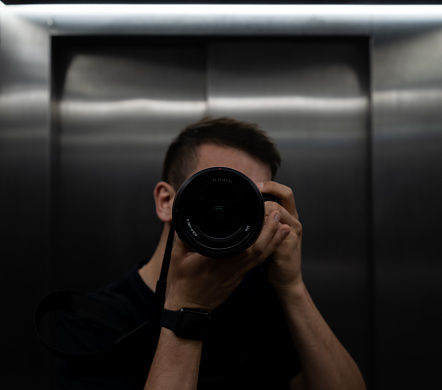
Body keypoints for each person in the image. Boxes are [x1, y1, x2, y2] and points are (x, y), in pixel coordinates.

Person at [56, 117, 366, 390]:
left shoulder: (263, 297)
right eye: (213, 193)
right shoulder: (92, 321)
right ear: (166, 201)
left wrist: (292, 287)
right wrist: (186, 309)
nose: (226, 212)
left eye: (245, 199)